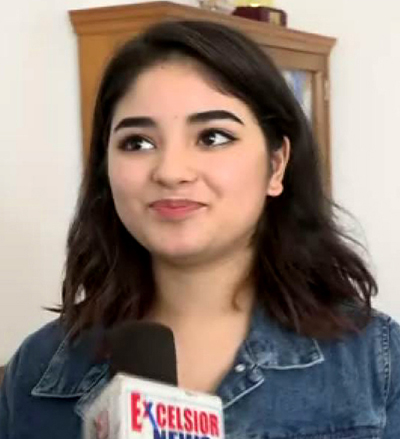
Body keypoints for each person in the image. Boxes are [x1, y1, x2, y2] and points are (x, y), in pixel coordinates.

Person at [0, 19, 399, 439]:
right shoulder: (39, 370)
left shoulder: (374, 362)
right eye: (138, 143)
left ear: (276, 164)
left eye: (212, 137)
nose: (171, 171)